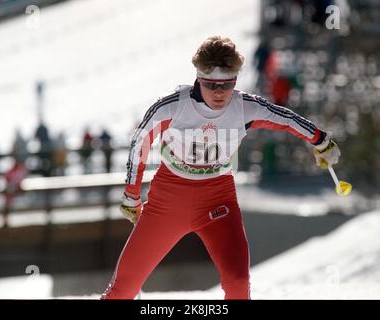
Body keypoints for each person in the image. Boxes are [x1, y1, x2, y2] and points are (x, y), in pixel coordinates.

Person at [102, 36, 341, 300]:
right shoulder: (172, 106)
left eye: (227, 84)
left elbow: (284, 118)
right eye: (211, 84)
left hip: (217, 202)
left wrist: (321, 141)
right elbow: (140, 142)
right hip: (168, 202)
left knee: (238, 285)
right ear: (198, 78)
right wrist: (132, 194)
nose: (219, 92)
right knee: (122, 290)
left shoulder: (243, 107)